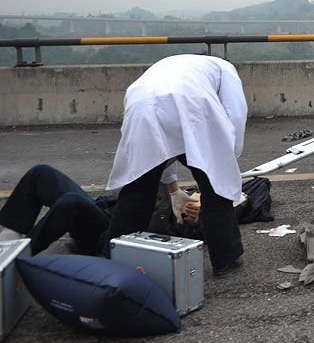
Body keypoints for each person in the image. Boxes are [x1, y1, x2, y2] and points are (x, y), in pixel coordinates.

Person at [105, 54, 248, 278]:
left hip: (140, 101)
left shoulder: (172, 63)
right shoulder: (225, 67)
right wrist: (229, 159)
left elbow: (160, 151)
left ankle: (118, 255)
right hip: (190, 103)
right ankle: (225, 258)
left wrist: (172, 187)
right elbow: (235, 113)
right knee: (214, 187)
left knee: (138, 188)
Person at [0, 163, 199, 256]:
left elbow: (208, 234)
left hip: (109, 231)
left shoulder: (212, 213)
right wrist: (175, 191)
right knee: (41, 173)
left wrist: (197, 220)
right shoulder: (192, 191)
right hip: (103, 209)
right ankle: (7, 241)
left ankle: (15, 259)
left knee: (71, 203)